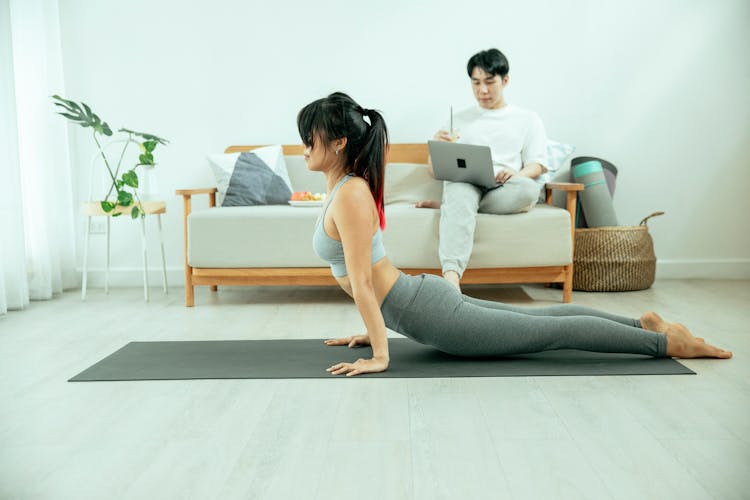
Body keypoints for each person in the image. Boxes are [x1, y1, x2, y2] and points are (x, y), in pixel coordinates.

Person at [298, 92, 732, 377]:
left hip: (429, 314)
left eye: (309, 139)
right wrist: (375, 329)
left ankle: (661, 341)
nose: (303, 147)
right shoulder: (343, 186)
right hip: (417, 303)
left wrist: (379, 354)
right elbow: (366, 278)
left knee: (546, 333)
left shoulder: (350, 193)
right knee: (537, 321)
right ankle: (643, 324)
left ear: (337, 143)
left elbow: (361, 280)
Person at [417, 48, 550, 291]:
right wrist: (437, 148)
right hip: (466, 182)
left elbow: (537, 164)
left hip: (505, 186)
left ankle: (454, 207)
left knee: (528, 191)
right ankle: (451, 282)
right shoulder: (458, 118)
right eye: (476, 83)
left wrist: (516, 174)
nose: (483, 90)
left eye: (490, 82)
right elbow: (433, 170)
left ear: (505, 80)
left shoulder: (527, 119)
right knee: (458, 189)